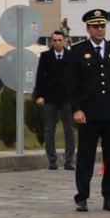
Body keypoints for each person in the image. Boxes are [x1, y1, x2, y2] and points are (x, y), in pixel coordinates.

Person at [65, 9, 110, 212]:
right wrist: (76, 109)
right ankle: (82, 196)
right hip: (88, 114)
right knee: (85, 156)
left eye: (102, 26)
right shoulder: (78, 51)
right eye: (95, 26)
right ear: (88, 28)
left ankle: (109, 197)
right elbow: (72, 84)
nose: (100, 30)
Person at [33, 30, 78, 170]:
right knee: (49, 129)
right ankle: (52, 160)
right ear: (51, 41)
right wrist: (39, 95)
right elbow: (40, 77)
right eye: (55, 40)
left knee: (69, 130)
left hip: (66, 99)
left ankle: (69, 160)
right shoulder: (45, 56)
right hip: (50, 98)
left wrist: (76, 99)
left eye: (60, 40)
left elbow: (76, 79)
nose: (57, 43)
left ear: (64, 41)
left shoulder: (71, 56)